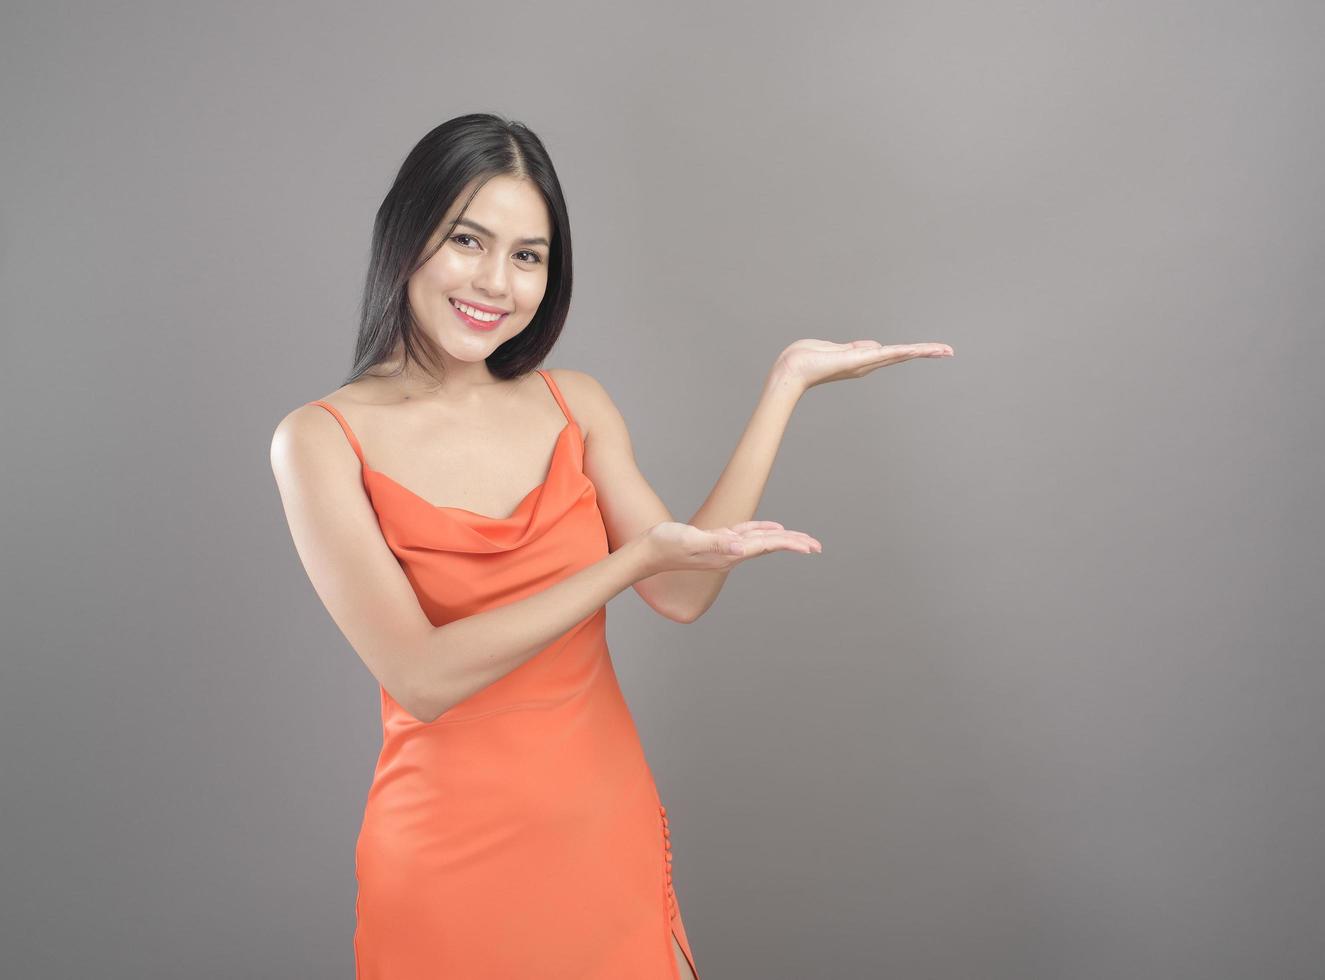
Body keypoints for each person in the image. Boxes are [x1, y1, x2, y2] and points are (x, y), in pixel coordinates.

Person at [269, 112, 953, 979]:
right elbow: (425, 677)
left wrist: (786, 385)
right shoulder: (320, 439)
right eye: (468, 240)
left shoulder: (574, 403)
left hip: (601, 831)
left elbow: (683, 589)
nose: (496, 281)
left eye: (528, 255)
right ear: (407, 237)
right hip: (443, 867)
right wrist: (629, 560)